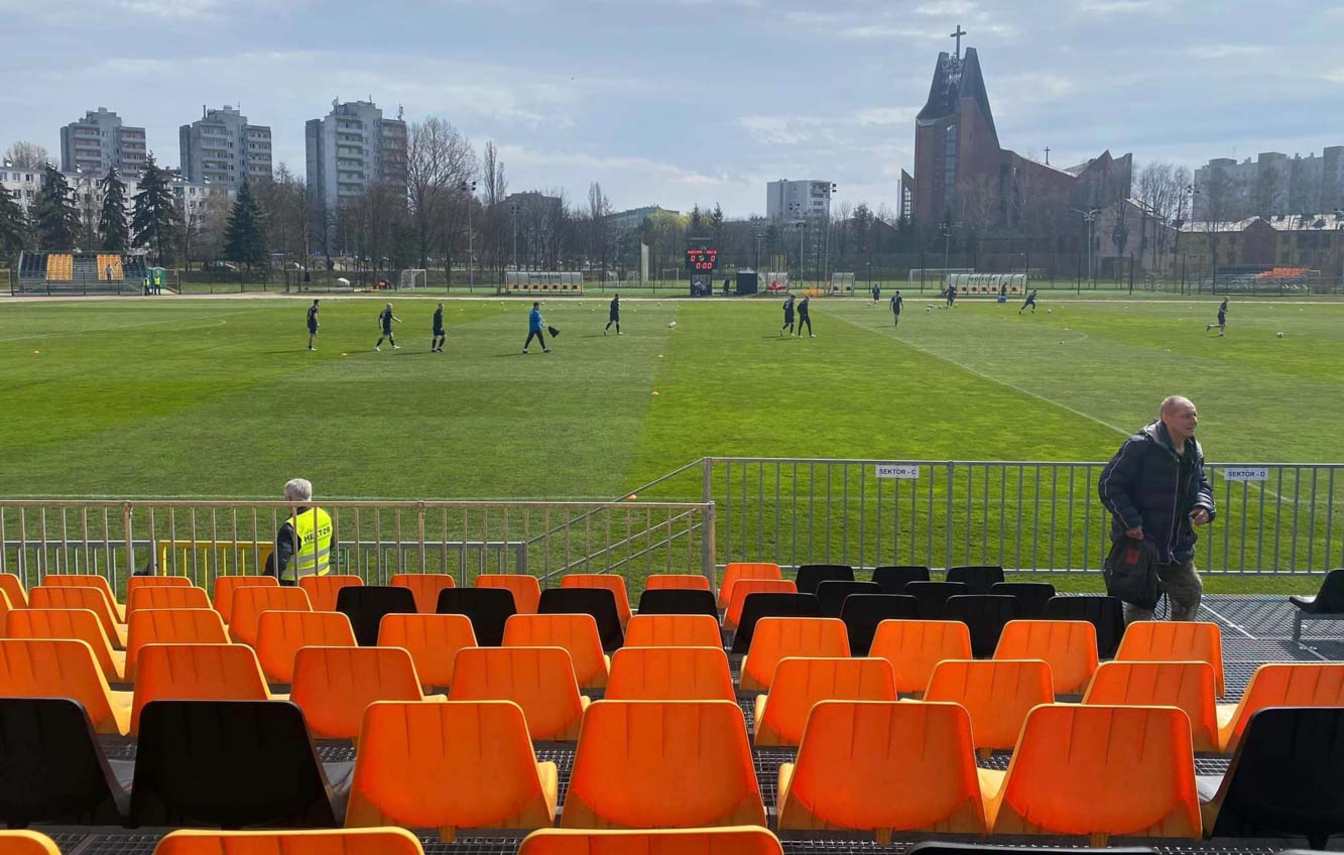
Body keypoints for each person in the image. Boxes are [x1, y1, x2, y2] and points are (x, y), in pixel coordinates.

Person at [1098, 395, 1215, 623]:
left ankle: (1177, 641)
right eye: (1186, 416)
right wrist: (1131, 522)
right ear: (1166, 418)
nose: (1193, 420)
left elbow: (1201, 482)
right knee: (1141, 603)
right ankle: (1136, 644)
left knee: (1190, 593)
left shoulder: (1193, 449)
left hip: (1177, 548)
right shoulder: (1140, 446)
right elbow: (1110, 485)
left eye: (1194, 414)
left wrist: (1203, 506)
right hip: (1143, 544)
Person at [264, 478, 335, 585]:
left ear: (290, 499)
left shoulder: (291, 526)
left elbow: (279, 561)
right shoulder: (324, 515)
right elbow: (331, 543)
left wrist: (266, 580)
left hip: (294, 582)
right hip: (321, 578)